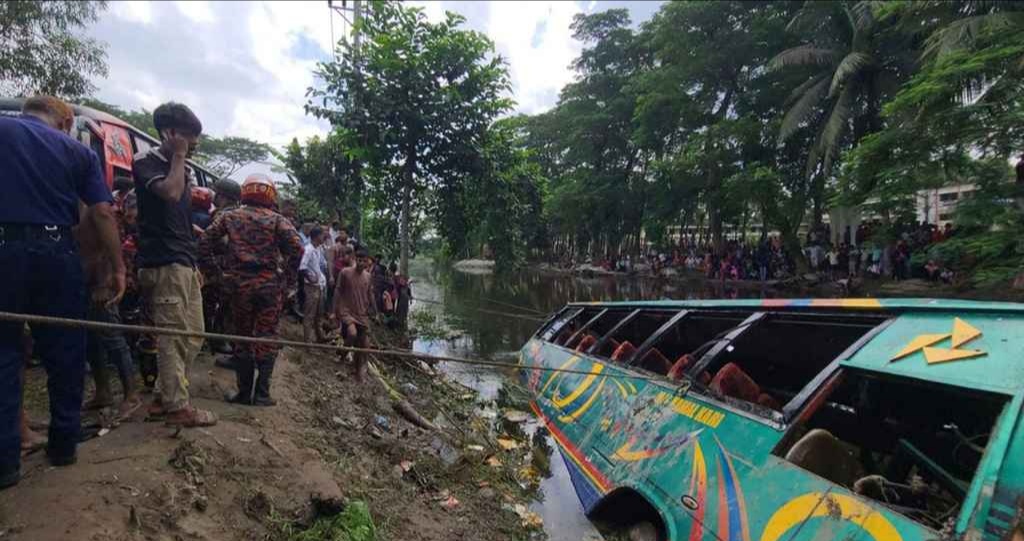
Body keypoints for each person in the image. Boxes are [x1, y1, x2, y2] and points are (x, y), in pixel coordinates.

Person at [0, 96, 126, 488]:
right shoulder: (76, 151)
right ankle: (64, 446)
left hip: (3, 252)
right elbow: (103, 212)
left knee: (3, 356)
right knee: (65, 351)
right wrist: (117, 267)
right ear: (66, 120)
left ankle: (5, 465)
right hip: (56, 253)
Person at [133, 102, 215, 427]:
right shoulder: (147, 161)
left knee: (194, 333)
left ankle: (162, 395)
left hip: (182, 260)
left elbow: (178, 213)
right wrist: (179, 157)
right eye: (190, 138)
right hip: (163, 261)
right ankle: (177, 407)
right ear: (170, 134)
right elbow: (169, 194)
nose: (194, 145)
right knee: (171, 335)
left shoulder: (185, 169)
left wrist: (193, 259)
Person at [200, 174, 302, 406]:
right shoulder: (277, 220)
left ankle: (244, 393)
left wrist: (216, 273)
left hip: (239, 286)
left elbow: (205, 240)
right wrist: (287, 278)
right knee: (267, 336)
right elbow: (297, 248)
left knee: (242, 337)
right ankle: (263, 394)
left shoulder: (230, 217)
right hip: (269, 287)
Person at [333, 247, 376, 382]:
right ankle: (342, 356)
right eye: (358, 260)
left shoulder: (368, 277)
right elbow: (338, 290)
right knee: (352, 333)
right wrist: (334, 311)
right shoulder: (345, 272)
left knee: (364, 344)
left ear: (367, 262)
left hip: (361, 313)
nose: (361, 263)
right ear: (354, 259)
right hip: (346, 310)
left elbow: (370, 294)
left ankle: (359, 369)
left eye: (363, 261)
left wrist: (376, 311)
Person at [299, 226, 328, 343]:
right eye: (322, 235)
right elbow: (302, 267)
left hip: (319, 286)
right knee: (310, 314)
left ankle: (319, 336)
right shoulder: (309, 250)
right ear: (317, 236)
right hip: (311, 287)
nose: (324, 237)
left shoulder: (318, 249)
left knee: (318, 313)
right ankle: (307, 340)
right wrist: (310, 278)